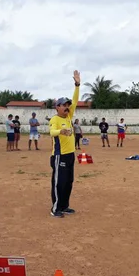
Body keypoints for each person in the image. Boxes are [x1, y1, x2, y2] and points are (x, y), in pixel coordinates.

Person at [49, 70, 81, 218]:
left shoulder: (69, 116)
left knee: (68, 182)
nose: (67, 107)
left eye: (67, 105)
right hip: (59, 156)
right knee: (58, 183)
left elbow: (75, 100)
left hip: (70, 155)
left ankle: (64, 206)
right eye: (64, 105)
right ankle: (55, 208)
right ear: (57, 107)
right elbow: (51, 132)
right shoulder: (55, 119)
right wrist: (61, 131)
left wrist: (77, 85)